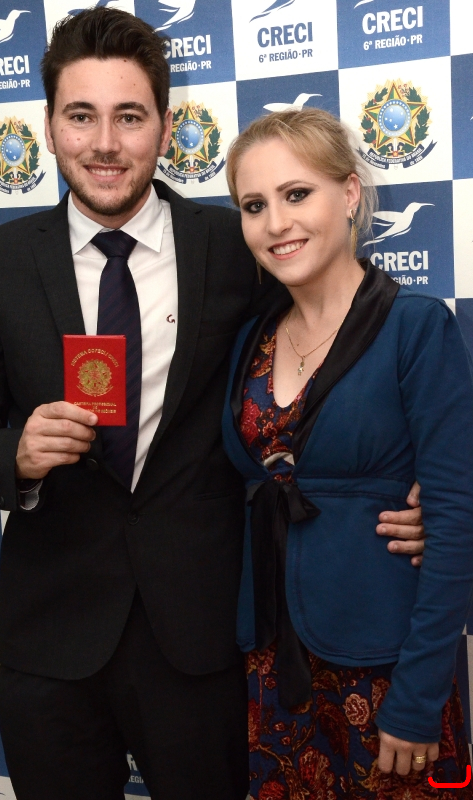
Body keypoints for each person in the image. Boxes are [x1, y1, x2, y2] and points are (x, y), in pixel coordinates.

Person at [0, 10, 424, 800]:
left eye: (130, 117)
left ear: (166, 128)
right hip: (52, 638)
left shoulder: (238, 244)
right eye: (81, 116)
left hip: (201, 634)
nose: (105, 143)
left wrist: (415, 486)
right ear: (50, 126)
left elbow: (335, 356)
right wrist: (14, 456)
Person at [222, 107, 473, 799]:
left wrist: (418, 698)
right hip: (272, 664)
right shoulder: (251, 338)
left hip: (385, 669)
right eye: (254, 205)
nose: (276, 222)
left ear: (350, 194)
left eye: (297, 193)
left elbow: (454, 520)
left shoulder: (415, 327)